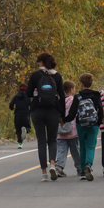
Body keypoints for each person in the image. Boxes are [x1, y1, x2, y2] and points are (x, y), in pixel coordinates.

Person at [26, 54, 66, 182]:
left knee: (41, 141)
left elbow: (27, 93)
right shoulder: (57, 76)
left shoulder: (35, 75)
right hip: (53, 111)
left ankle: (44, 173)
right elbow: (62, 96)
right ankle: (53, 164)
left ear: (42, 62)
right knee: (53, 140)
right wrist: (62, 115)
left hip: (37, 111)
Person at [74, 73, 102, 181]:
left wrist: (64, 120)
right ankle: (88, 165)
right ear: (91, 83)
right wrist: (98, 123)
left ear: (81, 84)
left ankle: (82, 171)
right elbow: (101, 110)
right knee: (90, 146)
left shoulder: (78, 96)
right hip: (93, 124)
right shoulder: (96, 95)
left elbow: (72, 113)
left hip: (80, 124)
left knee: (82, 146)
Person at [56, 81, 81, 177]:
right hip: (72, 130)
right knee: (75, 150)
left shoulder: (59, 100)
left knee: (61, 150)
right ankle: (79, 167)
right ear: (71, 90)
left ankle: (59, 167)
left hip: (60, 130)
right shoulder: (72, 100)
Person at [8, 84, 32, 149]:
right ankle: (26, 130)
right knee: (28, 127)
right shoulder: (28, 97)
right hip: (26, 115)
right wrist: (30, 111)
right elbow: (32, 105)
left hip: (17, 115)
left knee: (18, 129)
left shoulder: (16, 96)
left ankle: (20, 143)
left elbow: (10, 105)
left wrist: (12, 109)